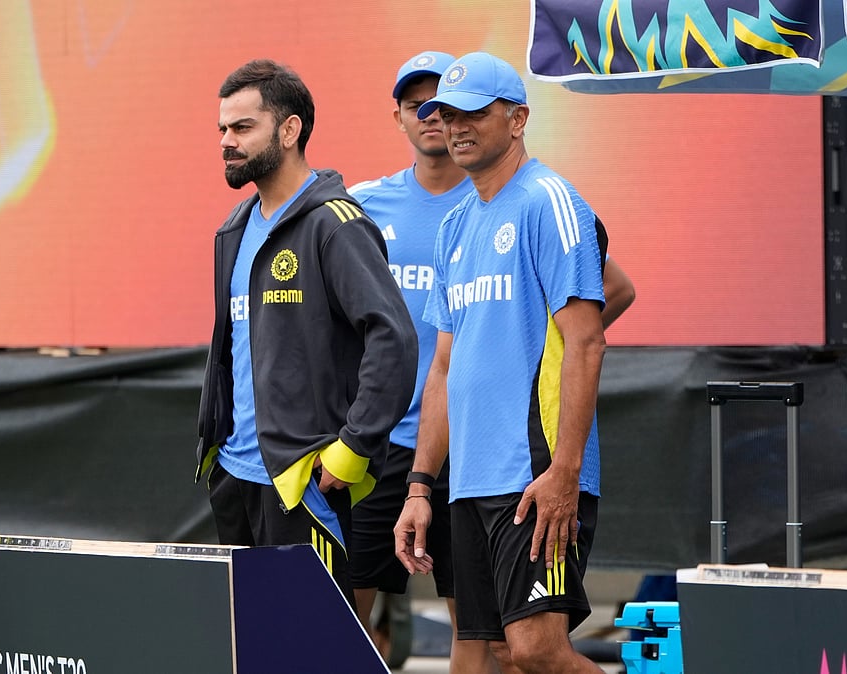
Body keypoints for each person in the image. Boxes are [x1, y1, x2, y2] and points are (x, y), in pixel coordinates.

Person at [352, 51, 636, 672]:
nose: (456, 126)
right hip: (470, 481)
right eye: (444, 114)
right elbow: (444, 369)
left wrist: (563, 473)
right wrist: (420, 486)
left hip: (534, 474)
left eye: (473, 114)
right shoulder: (457, 224)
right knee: (492, 653)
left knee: (536, 650)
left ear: (517, 118)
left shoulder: (549, 201)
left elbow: (587, 343)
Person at [194, 59, 418, 607]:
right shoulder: (234, 227)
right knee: (251, 646)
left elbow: (394, 339)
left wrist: (352, 448)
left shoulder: (335, 224)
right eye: (223, 128)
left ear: (289, 130)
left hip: (302, 482)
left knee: (311, 650)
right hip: (234, 475)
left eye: (242, 127)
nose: (227, 141)